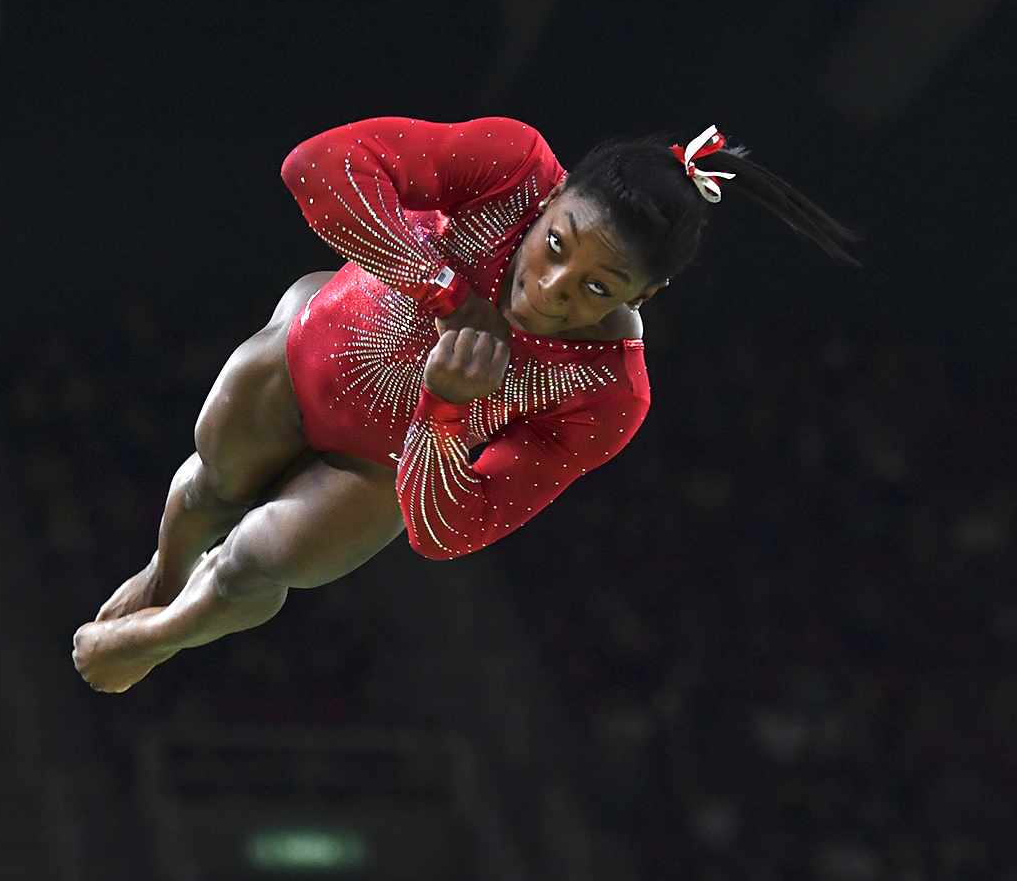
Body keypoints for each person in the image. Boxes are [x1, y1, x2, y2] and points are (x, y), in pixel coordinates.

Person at [72, 117, 856, 693]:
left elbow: (450, 532)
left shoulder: (609, 391)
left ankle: (163, 632)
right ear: (554, 198)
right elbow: (315, 167)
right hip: (314, 340)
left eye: (598, 288)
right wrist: (442, 287)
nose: (549, 291)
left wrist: (445, 411)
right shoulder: (511, 166)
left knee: (261, 561)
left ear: (645, 296)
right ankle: (165, 569)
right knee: (214, 478)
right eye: (557, 244)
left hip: (378, 467)